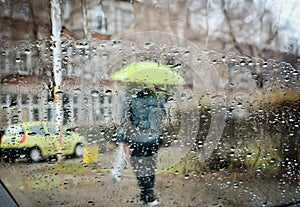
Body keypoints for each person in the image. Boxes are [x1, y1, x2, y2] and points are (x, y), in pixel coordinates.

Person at [112, 84, 166, 206]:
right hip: (154, 139)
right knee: (150, 166)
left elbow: (124, 121)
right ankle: (145, 196)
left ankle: (149, 197)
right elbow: (163, 116)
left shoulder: (130, 99)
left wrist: (123, 139)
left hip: (137, 140)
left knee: (140, 169)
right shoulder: (158, 99)